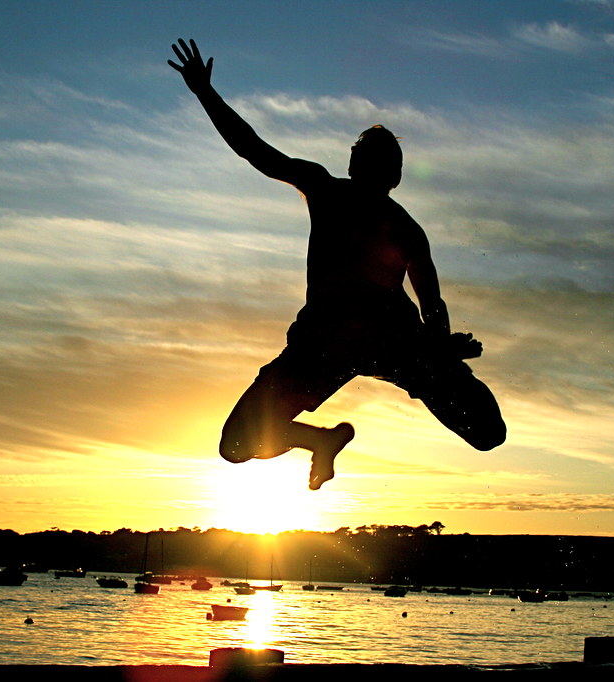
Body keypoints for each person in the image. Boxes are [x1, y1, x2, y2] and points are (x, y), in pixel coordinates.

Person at [169, 39, 506, 490]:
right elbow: (255, 151)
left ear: (382, 173)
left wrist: (441, 348)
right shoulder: (341, 198)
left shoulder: (386, 220)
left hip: (383, 342)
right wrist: (206, 94)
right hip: (337, 343)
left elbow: (432, 304)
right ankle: (322, 441)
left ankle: (323, 439)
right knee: (235, 445)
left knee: (489, 433)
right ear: (364, 167)